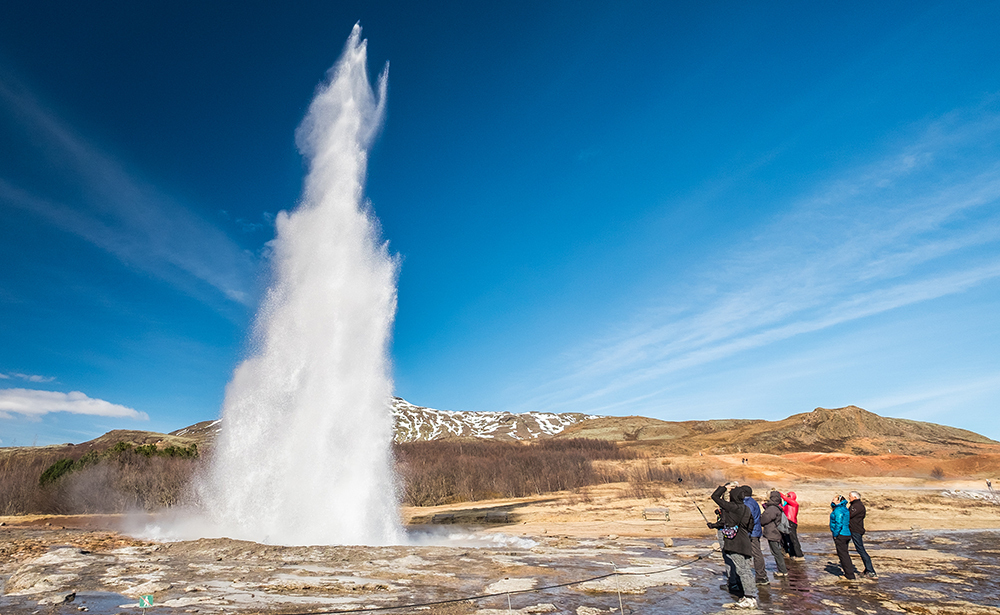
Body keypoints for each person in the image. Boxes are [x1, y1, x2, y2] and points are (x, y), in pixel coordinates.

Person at [711, 482, 758, 610]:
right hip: (745, 542)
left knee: (742, 570)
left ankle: (749, 597)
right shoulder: (746, 509)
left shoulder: (732, 507)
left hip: (735, 544)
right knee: (746, 570)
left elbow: (714, 497)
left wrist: (723, 488)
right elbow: (750, 526)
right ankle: (749, 596)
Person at [848, 491, 877, 579]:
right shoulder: (856, 505)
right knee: (859, 549)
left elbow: (848, 515)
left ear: (855, 497)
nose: (849, 498)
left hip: (856, 530)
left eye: (850, 496)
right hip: (854, 530)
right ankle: (868, 570)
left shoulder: (857, 506)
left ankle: (871, 571)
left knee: (861, 550)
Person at [742, 486, 768, 585]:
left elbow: (748, 519)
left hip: (751, 532)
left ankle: (761, 577)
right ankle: (761, 576)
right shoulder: (752, 502)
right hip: (755, 531)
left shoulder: (747, 503)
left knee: (755, 554)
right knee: (757, 553)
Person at [759, 490, 788, 577]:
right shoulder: (775, 507)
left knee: (776, 552)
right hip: (775, 532)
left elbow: (764, 519)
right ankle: (782, 570)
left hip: (773, 533)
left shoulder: (772, 508)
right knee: (777, 552)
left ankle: (783, 571)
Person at [830, 495, 856, 580]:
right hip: (847, 533)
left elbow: (839, 523)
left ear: (838, 501)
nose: (832, 500)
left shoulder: (838, 510)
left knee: (843, 555)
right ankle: (849, 573)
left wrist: (835, 534)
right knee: (845, 554)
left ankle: (849, 575)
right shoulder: (844, 508)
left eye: (834, 499)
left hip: (841, 534)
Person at [780, 490, 804, 558]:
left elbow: (785, 498)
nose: (786, 497)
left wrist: (780, 494)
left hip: (791, 522)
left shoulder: (794, 503)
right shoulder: (786, 505)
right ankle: (791, 553)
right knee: (787, 539)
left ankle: (799, 555)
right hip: (786, 522)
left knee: (793, 539)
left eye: (788, 495)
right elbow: (781, 508)